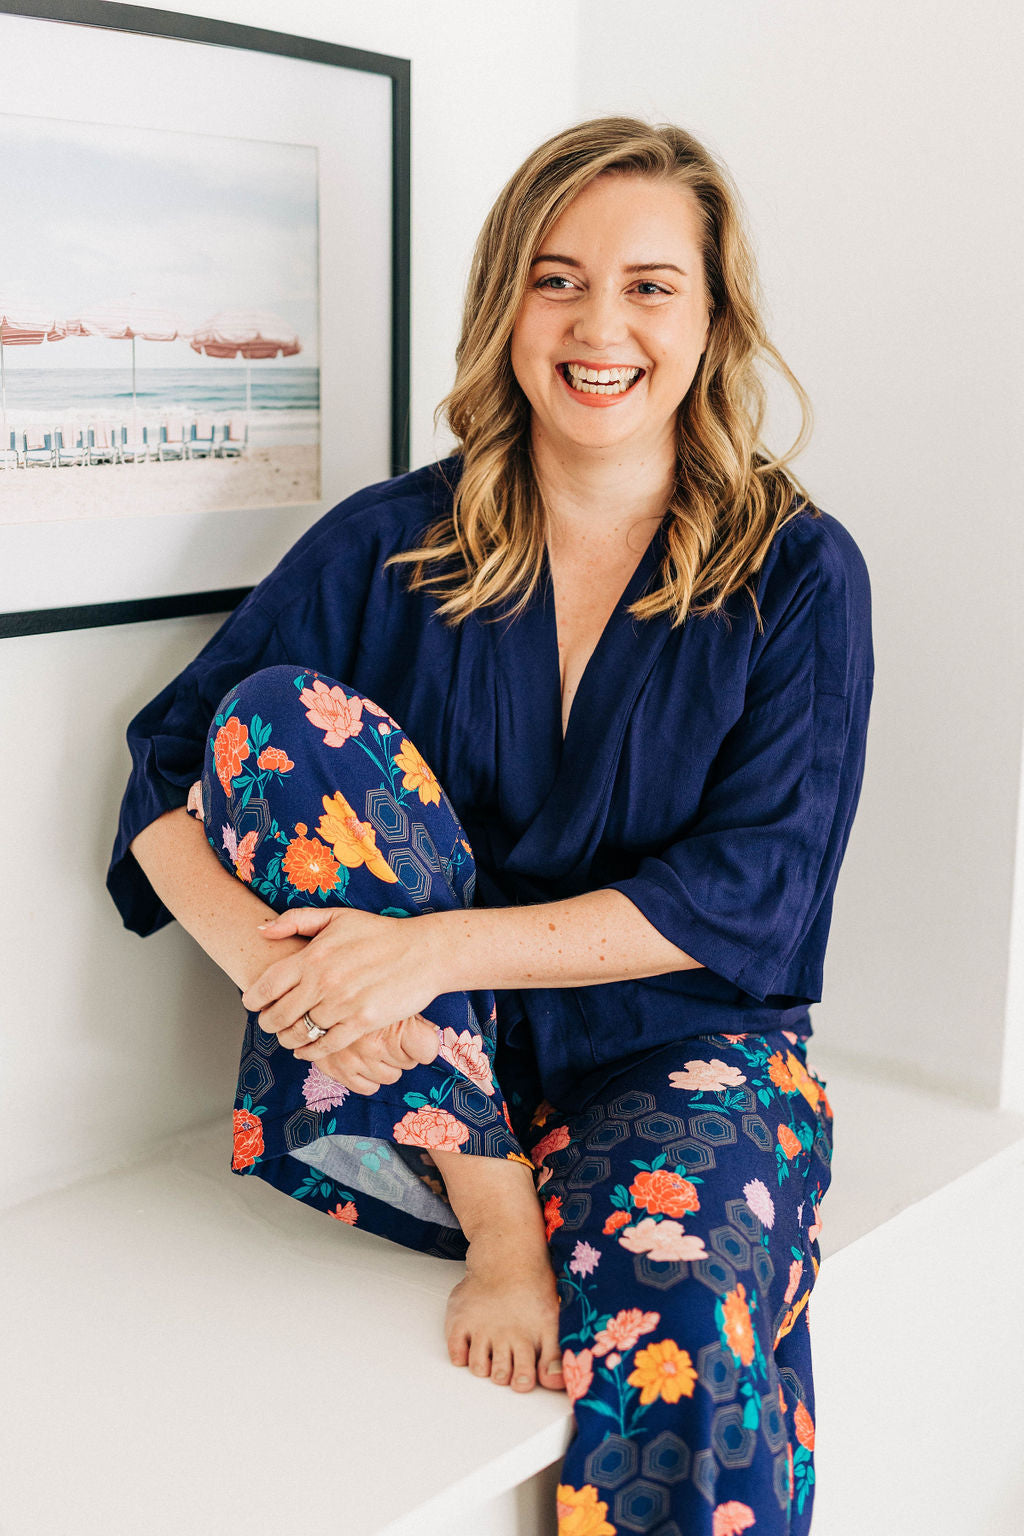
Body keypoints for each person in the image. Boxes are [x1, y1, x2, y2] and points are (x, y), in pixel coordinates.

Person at [108, 116, 873, 1535]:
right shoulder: (390, 540)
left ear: (712, 318)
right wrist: (303, 979)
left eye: (651, 285)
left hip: (678, 1056)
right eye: (557, 277)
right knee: (273, 716)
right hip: (399, 1092)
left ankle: (603, 1229)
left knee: (688, 1295)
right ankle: (500, 1214)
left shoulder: (800, 576)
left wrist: (427, 947)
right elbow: (166, 783)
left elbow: (751, 890)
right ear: (505, 304)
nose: (600, 325)